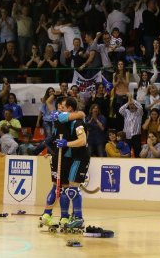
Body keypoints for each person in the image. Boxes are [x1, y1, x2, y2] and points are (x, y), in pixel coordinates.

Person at [54, 97, 90, 230]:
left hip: (80, 157)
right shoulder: (70, 121)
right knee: (71, 188)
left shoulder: (77, 123)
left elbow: (82, 141)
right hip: (75, 157)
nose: (60, 108)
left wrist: (66, 144)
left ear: (69, 108)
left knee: (73, 188)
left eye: (63, 106)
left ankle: (79, 219)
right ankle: (76, 217)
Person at [119, 93, 143, 158]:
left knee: (137, 153)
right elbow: (120, 110)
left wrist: (132, 100)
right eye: (130, 105)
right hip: (126, 136)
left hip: (136, 136)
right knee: (126, 153)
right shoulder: (126, 112)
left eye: (133, 105)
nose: (131, 106)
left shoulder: (139, 113)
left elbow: (140, 107)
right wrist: (128, 102)